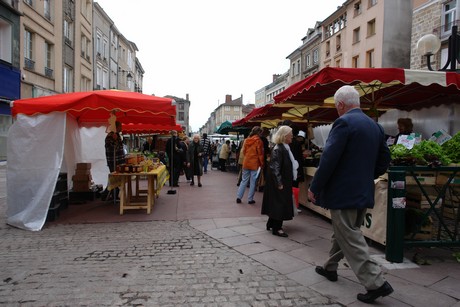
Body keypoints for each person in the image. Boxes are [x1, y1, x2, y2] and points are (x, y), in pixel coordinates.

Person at [307, 85, 393, 304]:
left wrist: (315, 187)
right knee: (344, 231)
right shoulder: (375, 126)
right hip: (363, 189)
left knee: (350, 236)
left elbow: (328, 158)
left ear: (341, 105)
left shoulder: (343, 122)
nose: (337, 111)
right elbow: (384, 159)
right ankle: (330, 267)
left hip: (343, 192)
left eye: (337, 107)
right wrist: (366, 175)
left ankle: (376, 282)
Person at [261, 125, 297, 237]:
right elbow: (275, 167)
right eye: (290, 134)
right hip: (280, 182)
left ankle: (271, 223)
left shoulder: (283, 147)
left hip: (282, 181)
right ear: (285, 136)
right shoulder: (279, 148)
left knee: (277, 203)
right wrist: (279, 183)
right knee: (280, 204)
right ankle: (277, 228)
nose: (292, 136)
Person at [236, 126, 264, 204]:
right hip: (254, 163)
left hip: (246, 162)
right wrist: (262, 164)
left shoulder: (246, 140)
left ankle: (239, 197)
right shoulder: (259, 141)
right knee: (253, 182)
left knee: (244, 180)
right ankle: (250, 199)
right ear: (258, 133)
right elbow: (260, 154)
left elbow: (244, 152)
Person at [104, 121, 125, 200]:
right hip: (114, 161)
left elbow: (120, 147)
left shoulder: (117, 136)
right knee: (114, 179)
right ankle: (109, 195)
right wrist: (115, 140)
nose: (121, 128)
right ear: (116, 127)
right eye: (120, 126)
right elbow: (112, 148)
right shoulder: (110, 136)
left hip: (119, 161)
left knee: (116, 180)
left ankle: (113, 195)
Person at [281, 120, 304, 188]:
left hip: (285, 172)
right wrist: (300, 173)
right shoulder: (296, 144)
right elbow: (299, 158)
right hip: (292, 171)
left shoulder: (280, 143)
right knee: (293, 189)